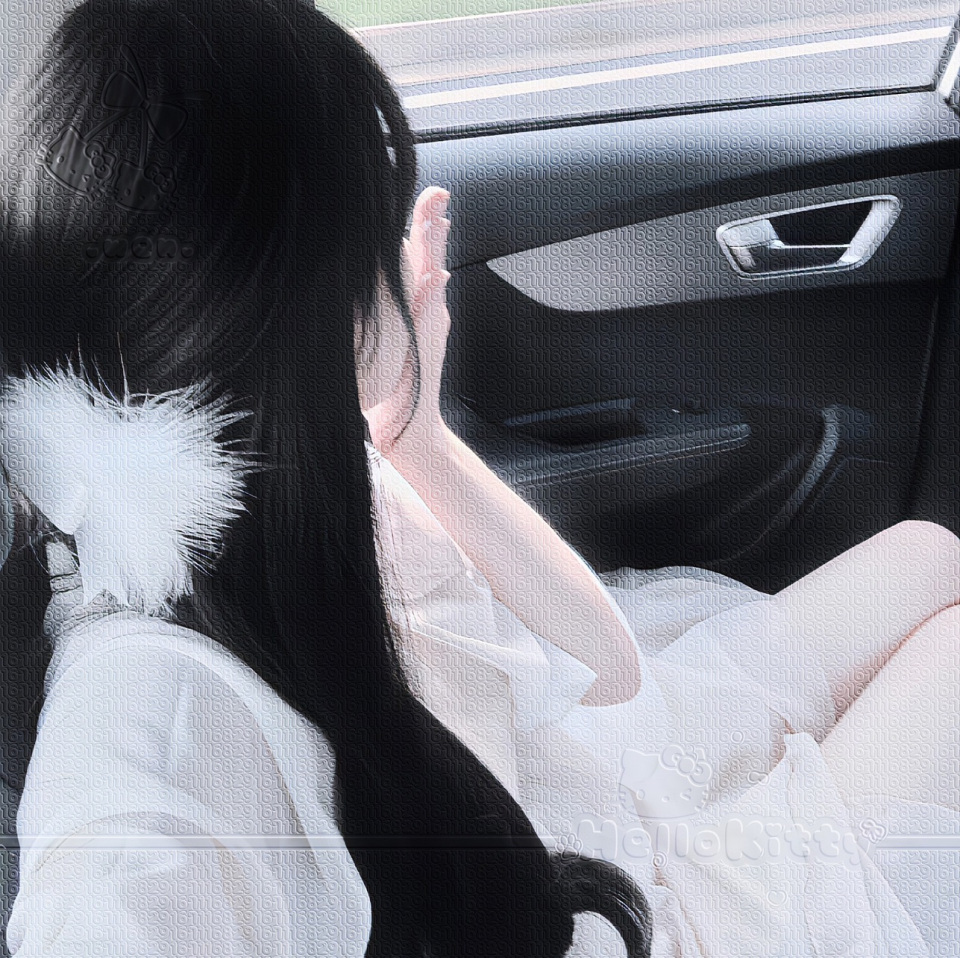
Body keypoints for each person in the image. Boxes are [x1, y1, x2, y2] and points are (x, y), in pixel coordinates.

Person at [0, 1, 652, 955]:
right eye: (379, 229)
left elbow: (611, 675)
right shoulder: (147, 745)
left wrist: (415, 434)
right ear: (322, 305)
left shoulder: (249, 503)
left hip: (559, 822)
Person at [355, 139, 960, 955]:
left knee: (929, 553)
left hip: (581, 759)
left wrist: (414, 435)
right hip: (623, 904)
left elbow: (608, 683)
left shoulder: (288, 474)